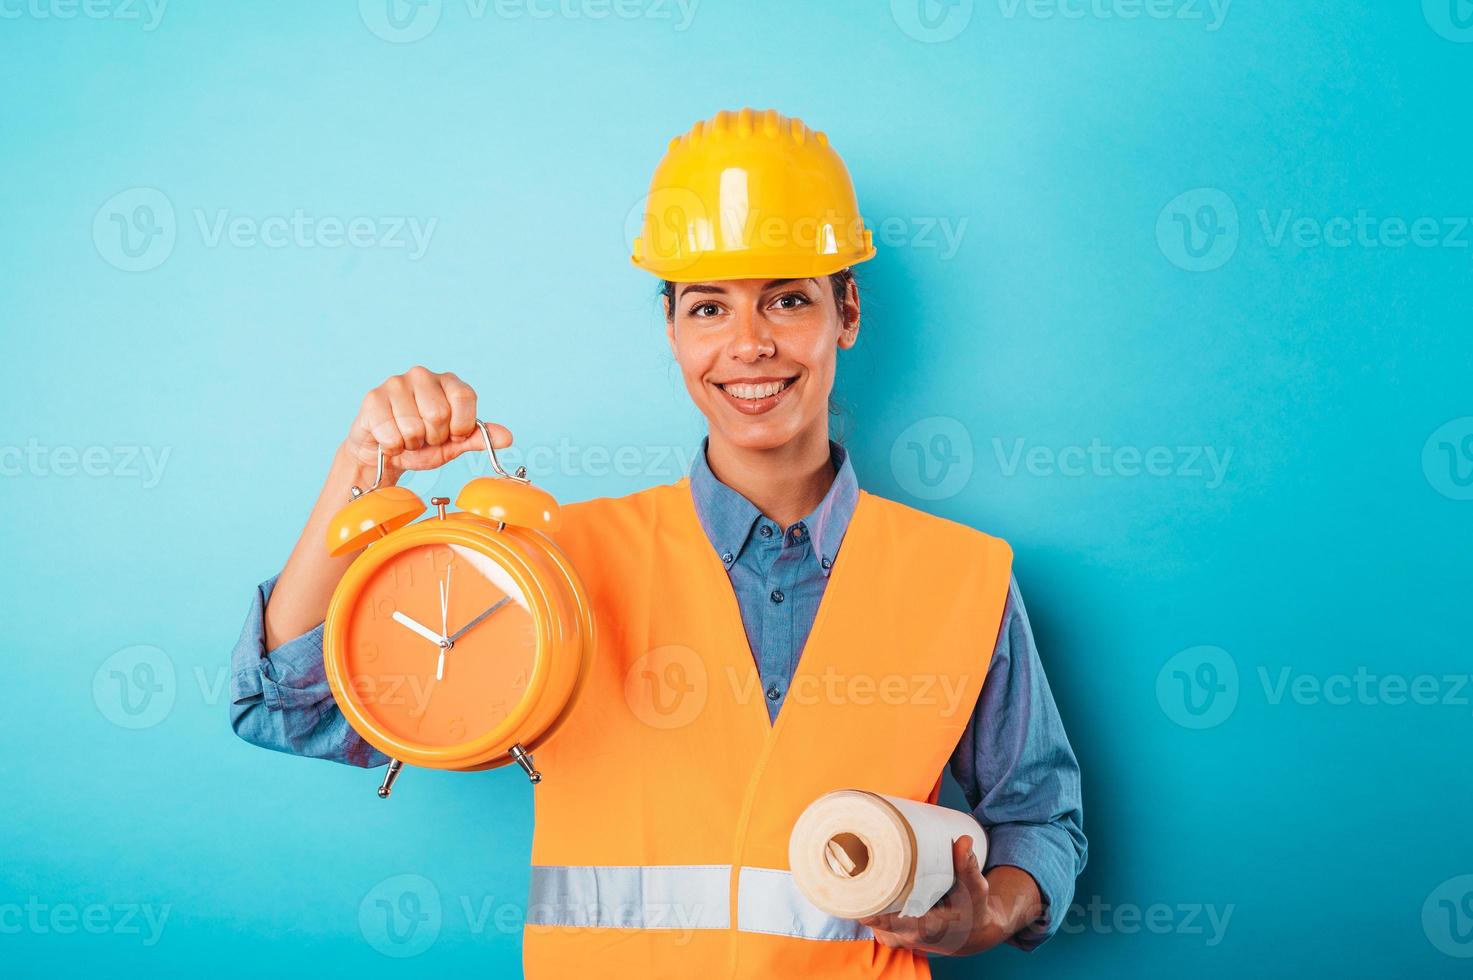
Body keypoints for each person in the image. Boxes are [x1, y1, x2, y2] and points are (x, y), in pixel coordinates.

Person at [230, 107, 1086, 978]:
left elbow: (1039, 817)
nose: (749, 344)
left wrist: (984, 915)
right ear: (672, 331)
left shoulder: (960, 577)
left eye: (787, 298)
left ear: (847, 313)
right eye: (708, 307)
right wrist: (361, 469)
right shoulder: (551, 566)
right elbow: (290, 707)